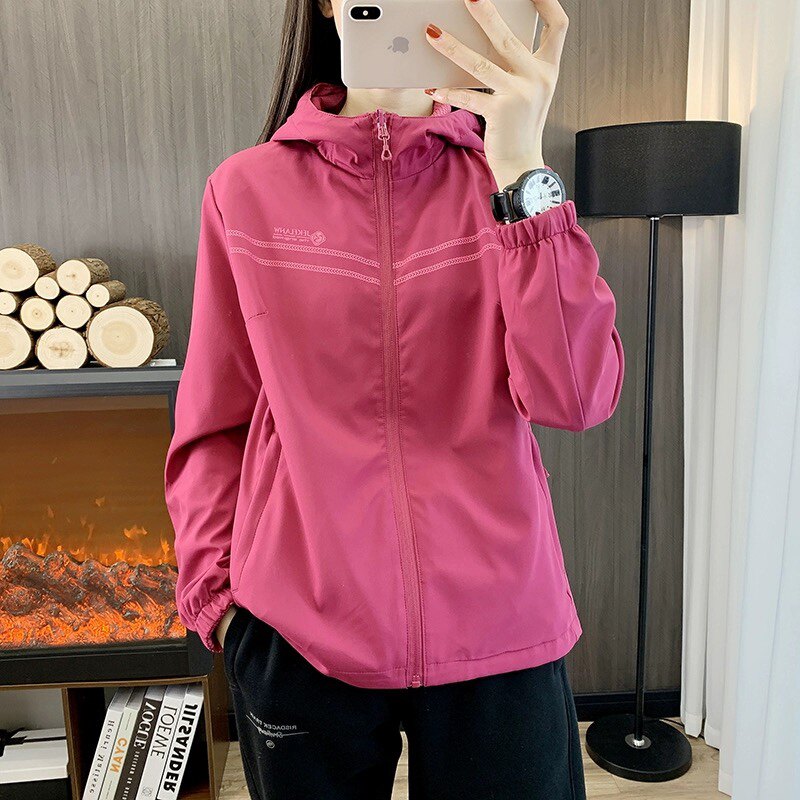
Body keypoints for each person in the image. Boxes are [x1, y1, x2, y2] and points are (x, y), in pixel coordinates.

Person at [164, 0, 624, 797]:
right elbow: (216, 418)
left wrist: (521, 164)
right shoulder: (245, 190)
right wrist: (220, 600)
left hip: (500, 627)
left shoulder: (508, 181)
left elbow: (577, 396)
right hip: (300, 633)